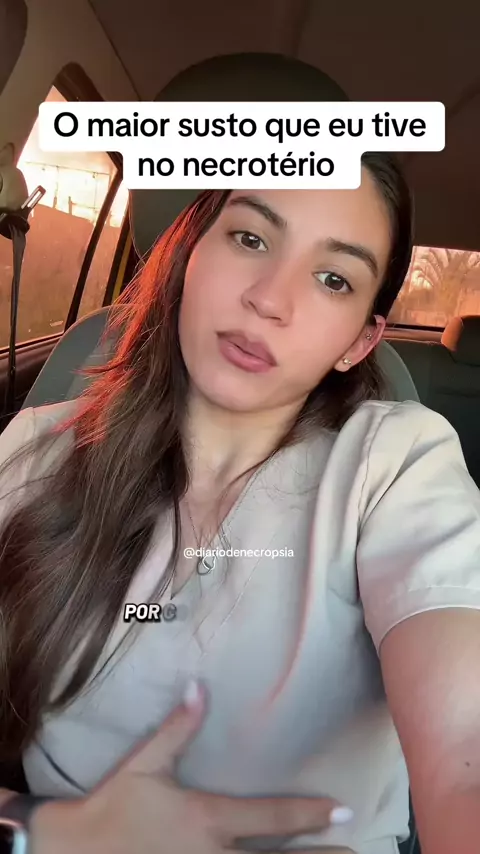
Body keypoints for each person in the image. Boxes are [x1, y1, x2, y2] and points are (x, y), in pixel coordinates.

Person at [0, 153, 479, 854]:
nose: (270, 299)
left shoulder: (396, 463)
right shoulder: (33, 450)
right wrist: (51, 829)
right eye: (251, 238)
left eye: (334, 279)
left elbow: (465, 749)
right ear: (189, 254)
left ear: (359, 342)